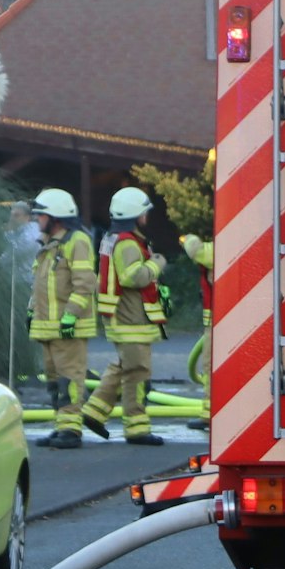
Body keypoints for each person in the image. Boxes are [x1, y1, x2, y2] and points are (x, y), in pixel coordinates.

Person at [82, 186, 168, 446]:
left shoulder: (114, 238)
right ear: (136, 215)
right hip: (130, 319)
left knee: (126, 366)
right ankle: (137, 428)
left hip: (123, 317)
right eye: (144, 212)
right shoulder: (128, 242)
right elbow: (133, 276)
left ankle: (93, 413)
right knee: (137, 372)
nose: (146, 217)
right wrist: (157, 264)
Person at [27, 189, 98, 448]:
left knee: (70, 378)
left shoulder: (76, 241)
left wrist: (70, 317)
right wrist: (31, 310)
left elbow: (84, 284)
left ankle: (71, 429)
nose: (37, 220)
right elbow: (40, 286)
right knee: (55, 380)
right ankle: (61, 425)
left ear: (55, 217)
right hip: (48, 328)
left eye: (41, 215)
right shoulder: (49, 245)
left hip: (68, 329)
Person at [181, 232, 214, 432]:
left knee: (210, 366)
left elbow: (198, 251)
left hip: (220, 323)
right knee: (210, 367)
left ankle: (211, 415)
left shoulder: (220, 249)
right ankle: (210, 413)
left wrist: (189, 238)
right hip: (219, 322)